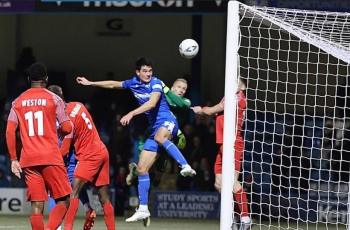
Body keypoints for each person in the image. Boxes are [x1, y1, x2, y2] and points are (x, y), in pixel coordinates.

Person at [76, 57, 196, 223]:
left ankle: (185, 165)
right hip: (154, 128)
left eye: (150, 71)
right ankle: (143, 209)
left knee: (160, 139)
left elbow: (152, 103)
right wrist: (91, 83)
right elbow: (113, 84)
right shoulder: (133, 83)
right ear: (137, 72)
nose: (148, 74)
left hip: (167, 121)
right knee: (141, 169)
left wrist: (132, 113)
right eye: (144, 71)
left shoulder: (156, 83)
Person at [5, 62, 72, 230]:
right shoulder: (54, 98)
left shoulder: (18, 102)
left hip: (29, 159)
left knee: (37, 205)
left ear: (29, 79)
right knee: (64, 200)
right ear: (46, 79)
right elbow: (66, 128)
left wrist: (14, 159)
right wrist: (61, 133)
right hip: (50, 156)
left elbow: (9, 131)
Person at [47, 85, 115, 230]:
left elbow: (65, 149)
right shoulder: (78, 105)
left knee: (73, 192)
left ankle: (68, 227)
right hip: (102, 151)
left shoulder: (67, 120)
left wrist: (49, 161)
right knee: (104, 197)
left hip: (89, 156)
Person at [191, 78, 251, 229]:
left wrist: (201, 109)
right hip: (223, 145)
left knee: (232, 182)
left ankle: (245, 218)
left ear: (242, 85)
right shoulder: (230, 96)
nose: (232, 81)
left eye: (236, 80)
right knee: (219, 184)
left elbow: (211, 110)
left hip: (233, 144)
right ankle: (235, 217)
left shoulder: (237, 98)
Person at [126, 78, 191, 186]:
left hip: (170, 133)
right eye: (179, 87)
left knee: (161, 168)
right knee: (147, 161)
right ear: (173, 88)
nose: (181, 90)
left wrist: (165, 89)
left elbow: (180, 103)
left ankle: (147, 175)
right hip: (156, 130)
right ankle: (137, 171)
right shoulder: (161, 96)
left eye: (184, 89)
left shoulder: (186, 101)